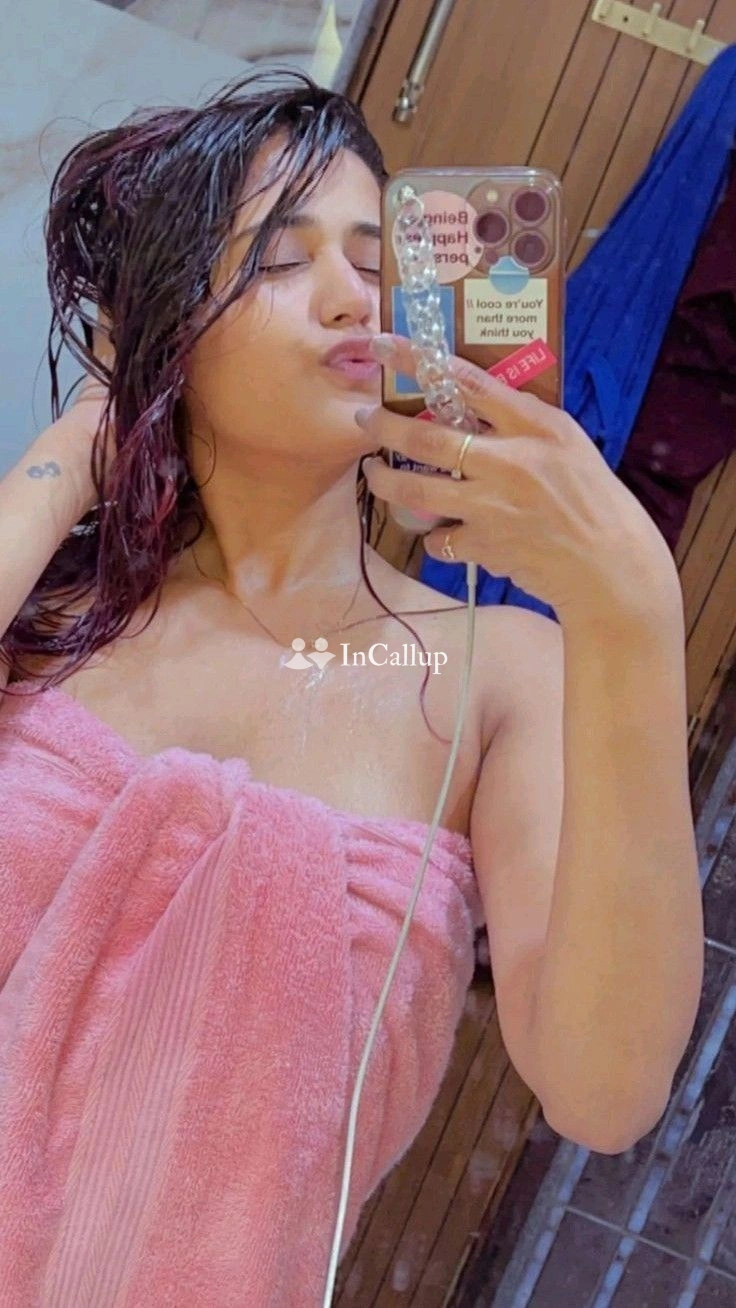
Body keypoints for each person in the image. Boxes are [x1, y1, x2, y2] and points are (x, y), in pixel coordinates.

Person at [0, 71, 703, 1307]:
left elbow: (603, 1092)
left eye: (384, 263)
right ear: (163, 327)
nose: (353, 298)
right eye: (279, 257)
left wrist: (632, 611)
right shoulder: (48, 609)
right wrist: (79, 445)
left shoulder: (498, 675)